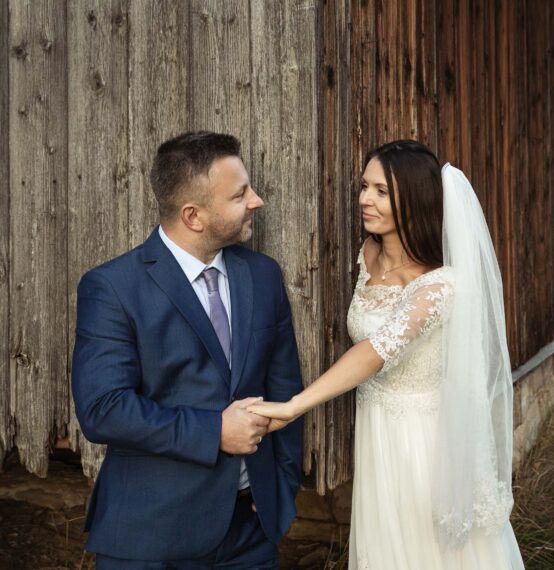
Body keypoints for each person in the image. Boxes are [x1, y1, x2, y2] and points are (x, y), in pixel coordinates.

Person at [249, 140, 525, 569]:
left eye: (381, 191)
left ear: (413, 200)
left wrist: (294, 405)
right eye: (364, 186)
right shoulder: (369, 253)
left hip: (421, 442)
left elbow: (375, 351)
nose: (365, 199)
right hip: (377, 430)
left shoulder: (440, 285)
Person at [72, 131, 303, 569]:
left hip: (249, 535)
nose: (256, 201)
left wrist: (281, 486)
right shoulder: (112, 288)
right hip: (150, 537)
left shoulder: (263, 275)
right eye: (239, 194)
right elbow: (103, 408)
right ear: (193, 216)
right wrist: (214, 431)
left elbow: (284, 387)